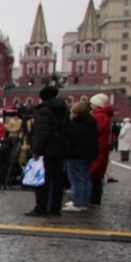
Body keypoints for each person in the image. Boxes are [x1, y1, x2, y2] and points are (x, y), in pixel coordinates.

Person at [26, 85, 69, 217]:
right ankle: (55, 208)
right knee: (57, 180)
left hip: (46, 150)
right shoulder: (64, 109)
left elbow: (42, 133)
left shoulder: (45, 111)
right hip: (60, 149)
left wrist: (36, 150)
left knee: (41, 180)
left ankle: (41, 208)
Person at [64, 100, 97, 212]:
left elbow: (71, 139)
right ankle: (84, 202)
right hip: (89, 155)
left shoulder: (76, 124)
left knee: (76, 179)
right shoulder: (92, 123)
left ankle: (77, 202)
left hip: (75, 155)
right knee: (86, 179)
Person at [89, 93, 114, 204]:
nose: (91, 106)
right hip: (101, 148)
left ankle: (93, 199)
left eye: (92, 104)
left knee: (94, 175)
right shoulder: (105, 116)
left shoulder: (99, 116)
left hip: (97, 148)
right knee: (97, 176)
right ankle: (95, 199)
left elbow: (94, 132)